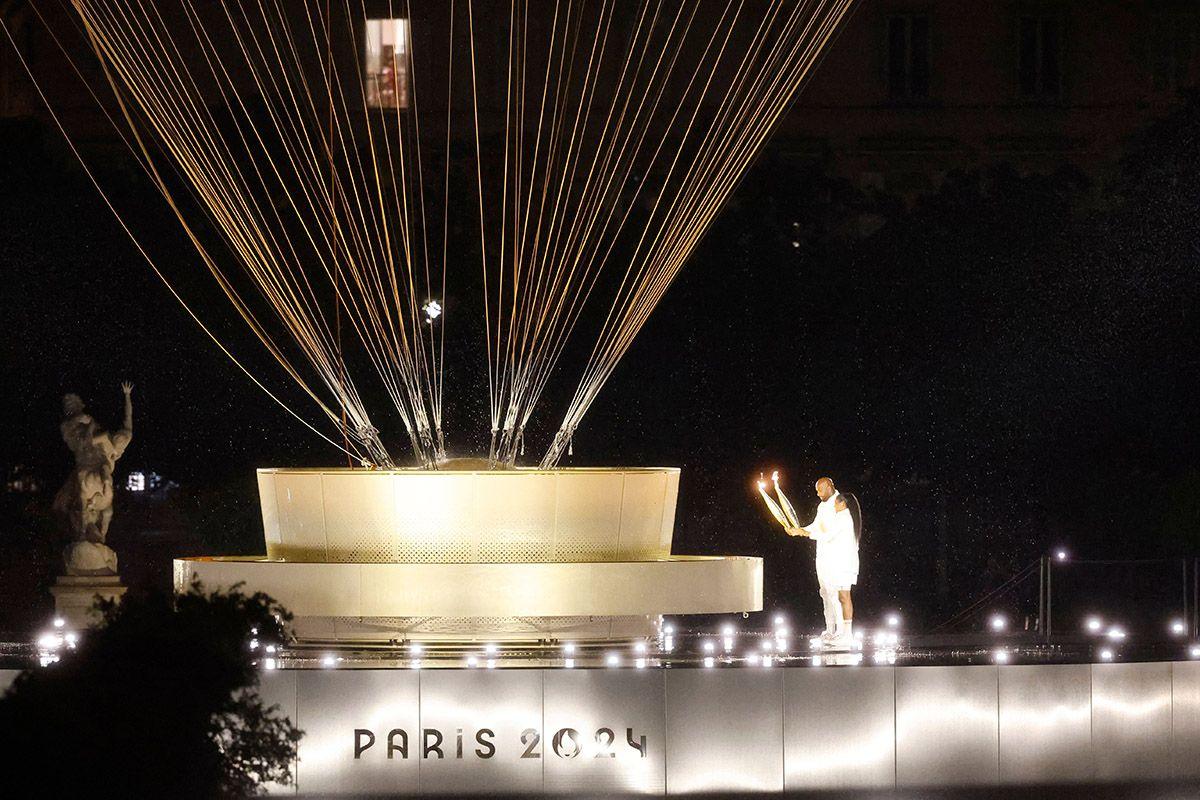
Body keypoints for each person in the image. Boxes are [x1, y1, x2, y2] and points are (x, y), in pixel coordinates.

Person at [786, 476, 843, 642]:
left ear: (829, 486)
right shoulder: (822, 506)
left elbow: (832, 533)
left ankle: (841, 631)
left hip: (835, 555)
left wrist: (807, 533)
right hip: (822, 555)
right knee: (824, 592)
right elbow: (815, 526)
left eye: (820, 490)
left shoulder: (840, 504)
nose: (817, 494)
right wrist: (800, 530)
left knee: (835, 593)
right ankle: (830, 630)